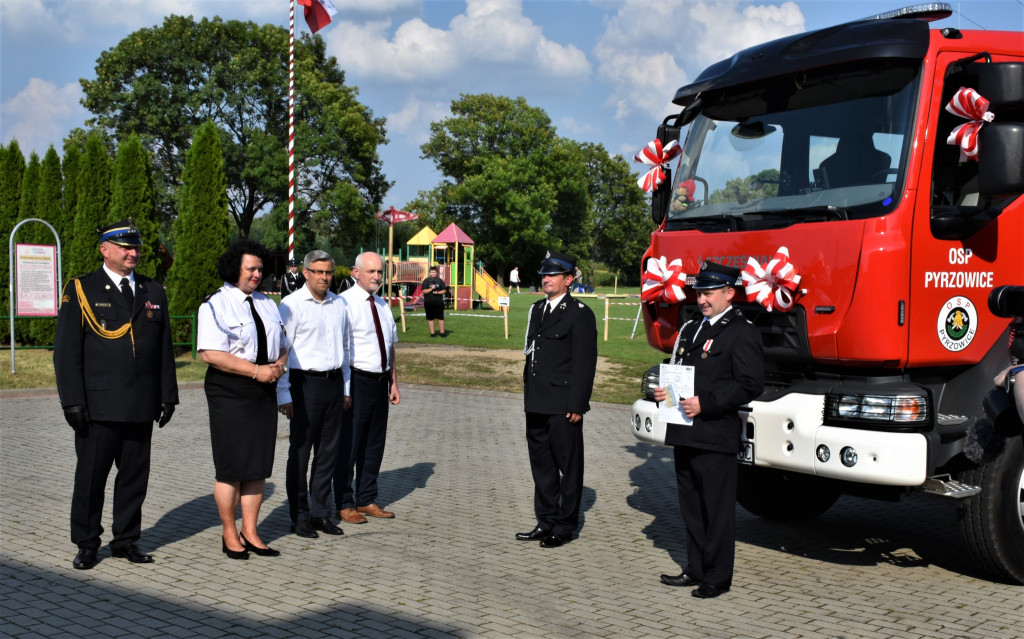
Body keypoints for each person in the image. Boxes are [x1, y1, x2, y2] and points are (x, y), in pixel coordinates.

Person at [54, 219, 178, 570]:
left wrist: (167, 395)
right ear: (104, 249)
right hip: (98, 406)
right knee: (91, 479)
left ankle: (126, 540)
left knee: (134, 479)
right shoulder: (82, 289)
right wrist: (72, 401)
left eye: (136, 247)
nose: (132, 253)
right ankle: (87, 542)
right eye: (125, 247)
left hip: (141, 403)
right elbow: (66, 353)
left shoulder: (153, 291)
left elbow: (163, 349)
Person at [653, 260, 764, 599]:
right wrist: (664, 394)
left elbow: (750, 384)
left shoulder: (742, 331)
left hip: (715, 433)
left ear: (730, 293)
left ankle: (717, 577)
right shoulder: (690, 330)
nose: (702, 299)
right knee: (692, 507)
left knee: (716, 510)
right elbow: (680, 375)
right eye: (700, 292)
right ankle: (696, 567)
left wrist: (708, 403)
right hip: (685, 431)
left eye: (710, 293)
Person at [198, 240, 289, 560]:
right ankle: (229, 533)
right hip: (230, 391)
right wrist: (255, 371)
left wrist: (278, 367)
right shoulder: (215, 304)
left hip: (263, 389)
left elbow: (282, 343)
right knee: (232, 466)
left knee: (257, 466)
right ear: (234, 268)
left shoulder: (267, 303)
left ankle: (251, 531)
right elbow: (210, 353)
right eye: (250, 268)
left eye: (260, 269)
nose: (256, 274)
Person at [516, 251, 597, 548]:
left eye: (553, 274)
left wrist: (578, 403)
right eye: (544, 274)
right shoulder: (537, 309)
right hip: (536, 400)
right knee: (542, 465)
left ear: (568, 279)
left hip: (563, 404)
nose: (546, 278)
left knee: (569, 466)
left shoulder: (579, 313)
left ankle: (564, 525)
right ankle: (546, 520)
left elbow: (584, 363)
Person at [277, 250, 352, 539]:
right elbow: (282, 351)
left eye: (328, 272)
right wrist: (283, 393)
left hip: (334, 383)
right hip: (304, 383)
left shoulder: (339, 303)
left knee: (328, 453)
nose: (324, 277)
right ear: (305, 273)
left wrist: (345, 388)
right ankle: (299, 516)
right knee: (301, 452)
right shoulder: (291, 305)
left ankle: (321, 513)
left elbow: (345, 349)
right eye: (318, 272)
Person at [334, 252, 401, 523]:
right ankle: (344, 501)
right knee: (350, 445)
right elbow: (340, 348)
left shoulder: (383, 305)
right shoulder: (343, 304)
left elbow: (390, 346)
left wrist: (394, 381)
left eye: (379, 272)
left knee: (374, 444)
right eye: (371, 271)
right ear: (355, 272)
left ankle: (367, 498)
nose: (376, 277)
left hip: (379, 382)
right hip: (356, 381)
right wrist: (345, 389)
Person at [421, 265, 448, 337]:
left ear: (436, 273)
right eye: (432, 272)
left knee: (440, 318)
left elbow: (444, 290)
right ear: (429, 272)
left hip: (438, 302)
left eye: (434, 272)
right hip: (428, 302)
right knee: (430, 318)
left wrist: (438, 292)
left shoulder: (440, 281)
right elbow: (424, 291)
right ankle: (432, 334)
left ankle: (442, 333)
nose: (433, 273)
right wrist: (431, 289)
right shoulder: (426, 281)